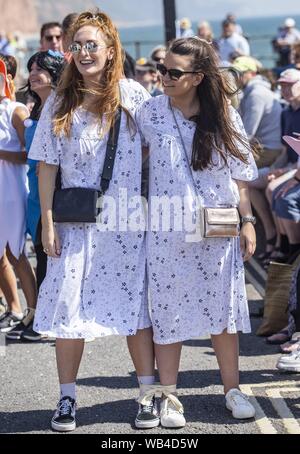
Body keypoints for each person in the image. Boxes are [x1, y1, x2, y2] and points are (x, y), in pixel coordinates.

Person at [28, 10, 151, 433]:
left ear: (111, 50)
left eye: (91, 44)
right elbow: (46, 166)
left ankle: (147, 395)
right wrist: (46, 222)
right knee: (67, 309)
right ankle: (67, 397)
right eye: (76, 45)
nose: (82, 52)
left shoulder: (133, 95)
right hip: (74, 224)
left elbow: (159, 149)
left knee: (135, 309)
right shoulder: (60, 103)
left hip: (127, 223)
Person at [134, 37, 258, 428]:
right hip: (166, 232)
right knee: (168, 313)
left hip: (217, 230)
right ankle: (169, 397)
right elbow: (128, 164)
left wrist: (249, 221)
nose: (164, 78)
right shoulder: (150, 112)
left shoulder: (224, 114)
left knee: (222, 313)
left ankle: (232, 390)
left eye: (173, 72)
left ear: (198, 77)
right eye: (162, 70)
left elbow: (240, 175)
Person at [6, 51, 65, 342]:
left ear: (56, 73)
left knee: (49, 256)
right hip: (33, 190)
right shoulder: (37, 108)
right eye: (31, 68)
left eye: (41, 68)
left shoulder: (62, 108)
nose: (33, 72)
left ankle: (48, 320)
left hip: (53, 192)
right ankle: (38, 315)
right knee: (40, 253)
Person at [232, 56, 283, 263]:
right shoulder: (254, 91)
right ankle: (269, 234)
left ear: (250, 74)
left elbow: (247, 132)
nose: (236, 78)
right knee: (247, 183)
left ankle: (268, 234)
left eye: (239, 73)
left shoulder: (256, 94)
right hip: (264, 147)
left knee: (240, 178)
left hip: (269, 150)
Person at [0, 55, 37, 334]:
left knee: (15, 253)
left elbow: (31, 154)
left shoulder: (16, 110)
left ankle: (34, 313)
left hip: (11, 191)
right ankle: (14, 309)